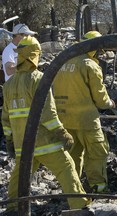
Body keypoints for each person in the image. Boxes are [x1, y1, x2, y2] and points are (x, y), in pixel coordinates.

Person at [1, 35, 90, 213]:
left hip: (22, 145)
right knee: (67, 169)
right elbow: (47, 113)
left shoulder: (9, 84)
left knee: (20, 178)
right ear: (34, 55)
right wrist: (62, 133)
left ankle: (12, 208)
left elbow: (6, 117)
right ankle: (79, 206)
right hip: (45, 143)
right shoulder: (38, 79)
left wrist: (10, 140)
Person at [53, 31, 115, 193]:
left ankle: (72, 189)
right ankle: (98, 188)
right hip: (86, 120)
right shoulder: (89, 65)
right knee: (97, 153)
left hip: (65, 119)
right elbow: (101, 100)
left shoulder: (63, 62)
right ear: (95, 47)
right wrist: (111, 103)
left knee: (73, 155)